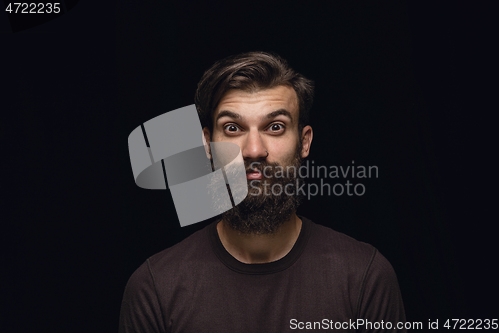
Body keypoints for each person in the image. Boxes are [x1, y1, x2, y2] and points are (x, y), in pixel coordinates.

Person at [119, 51, 407, 332]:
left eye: (275, 127)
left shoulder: (364, 277)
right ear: (208, 145)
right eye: (232, 128)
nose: (254, 150)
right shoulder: (156, 286)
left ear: (304, 142)